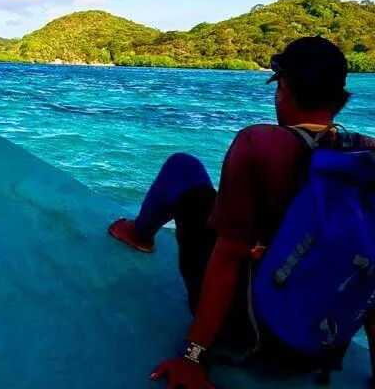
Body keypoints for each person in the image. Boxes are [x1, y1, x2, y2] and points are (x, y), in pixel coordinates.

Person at [107, 36, 374, 388]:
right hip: (318, 346)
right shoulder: (364, 156)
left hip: (248, 332)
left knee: (183, 168)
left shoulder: (260, 145)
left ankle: (139, 234)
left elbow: (229, 255)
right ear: (339, 97)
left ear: (283, 88)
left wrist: (193, 357)